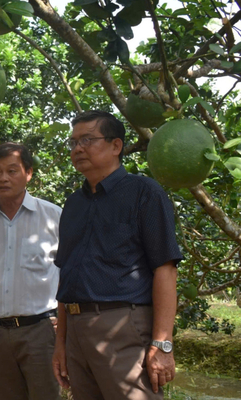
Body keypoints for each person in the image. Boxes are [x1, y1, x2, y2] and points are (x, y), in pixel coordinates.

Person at [52, 110, 182, 400]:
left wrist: (162, 343)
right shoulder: (73, 204)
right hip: (76, 328)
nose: (78, 148)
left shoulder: (144, 193)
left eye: (87, 139)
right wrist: (61, 343)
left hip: (122, 326)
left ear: (116, 146)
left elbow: (165, 268)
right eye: (73, 143)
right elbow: (66, 276)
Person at [0, 143, 62, 400]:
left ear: (28, 173)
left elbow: (70, 274)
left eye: (12, 170)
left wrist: (66, 324)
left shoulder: (53, 217)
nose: (3, 178)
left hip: (42, 331)